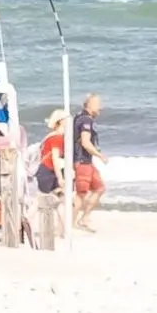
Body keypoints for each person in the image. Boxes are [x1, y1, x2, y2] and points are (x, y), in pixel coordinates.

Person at [32, 108, 67, 250]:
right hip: (48, 172)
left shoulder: (52, 137)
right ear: (60, 122)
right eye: (66, 119)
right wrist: (60, 177)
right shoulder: (56, 138)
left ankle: (62, 230)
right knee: (43, 200)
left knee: (60, 200)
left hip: (47, 171)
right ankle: (26, 222)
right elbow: (55, 158)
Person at [72, 92, 105, 229]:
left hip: (87, 161)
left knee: (100, 188)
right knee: (81, 195)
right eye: (98, 105)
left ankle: (84, 218)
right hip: (82, 161)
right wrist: (99, 155)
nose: (100, 108)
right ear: (90, 105)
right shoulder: (86, 120)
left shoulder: (78, 117)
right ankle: (70, 223)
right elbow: (85, 142)